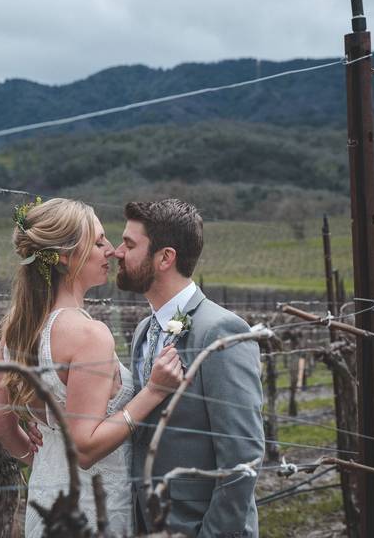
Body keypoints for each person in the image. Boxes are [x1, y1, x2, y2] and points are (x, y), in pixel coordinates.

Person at [0, 198, 184, 537]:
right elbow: (85, 448)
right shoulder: (88, 334)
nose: (110, 250)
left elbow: (1, 425)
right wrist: (153, 392)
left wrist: (47, 466)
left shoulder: (17, 331)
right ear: (65, 256)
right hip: (93, 511)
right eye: (97, 241)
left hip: (45, 501)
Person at [113, 199, 264, 537]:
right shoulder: (143, 330)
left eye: (130, 244)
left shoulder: (222, 330)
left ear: (165, 258)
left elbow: (243, 456)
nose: (117, 252)